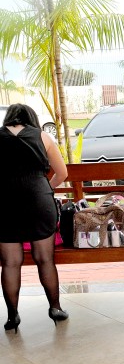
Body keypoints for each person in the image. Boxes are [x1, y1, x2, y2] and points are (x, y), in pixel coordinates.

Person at [1, 104, 69, 332]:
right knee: (45, 259)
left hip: (5, 204)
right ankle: (55, 308)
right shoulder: (43, 136)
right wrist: (45, 188)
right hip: (38, 201)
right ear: (32, 118)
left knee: (10, 263)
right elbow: (62, 173)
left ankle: (12, 316)